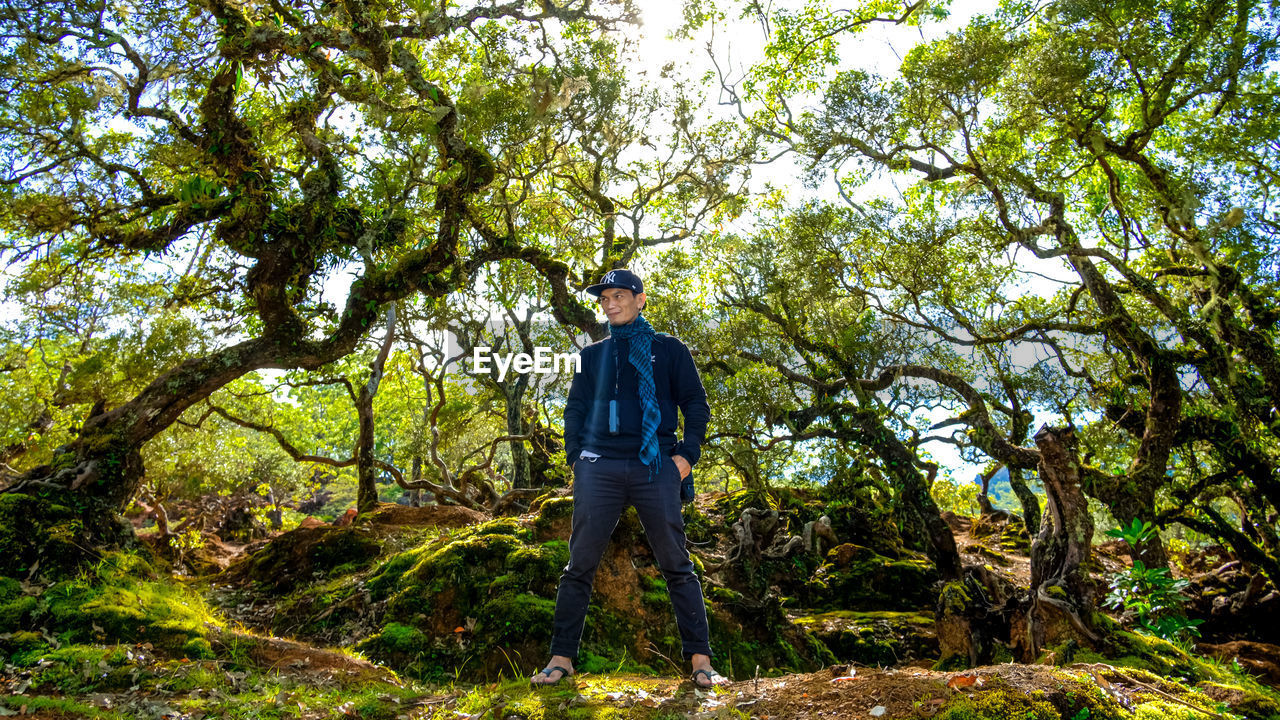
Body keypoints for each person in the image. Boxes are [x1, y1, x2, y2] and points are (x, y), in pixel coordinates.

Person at [531, 268, 729, 689]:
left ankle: (700, 660)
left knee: (677, 564)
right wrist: (577, 460)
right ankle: (561, 659)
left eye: (619, 295)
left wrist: (686, 457)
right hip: (599, 466)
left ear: (640, 299)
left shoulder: (670, 350)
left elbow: (696, 404)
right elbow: (575, 409)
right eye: (604, 298)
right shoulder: (593, 356)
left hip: (655, 464)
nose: (610, 303)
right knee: (578, 564)